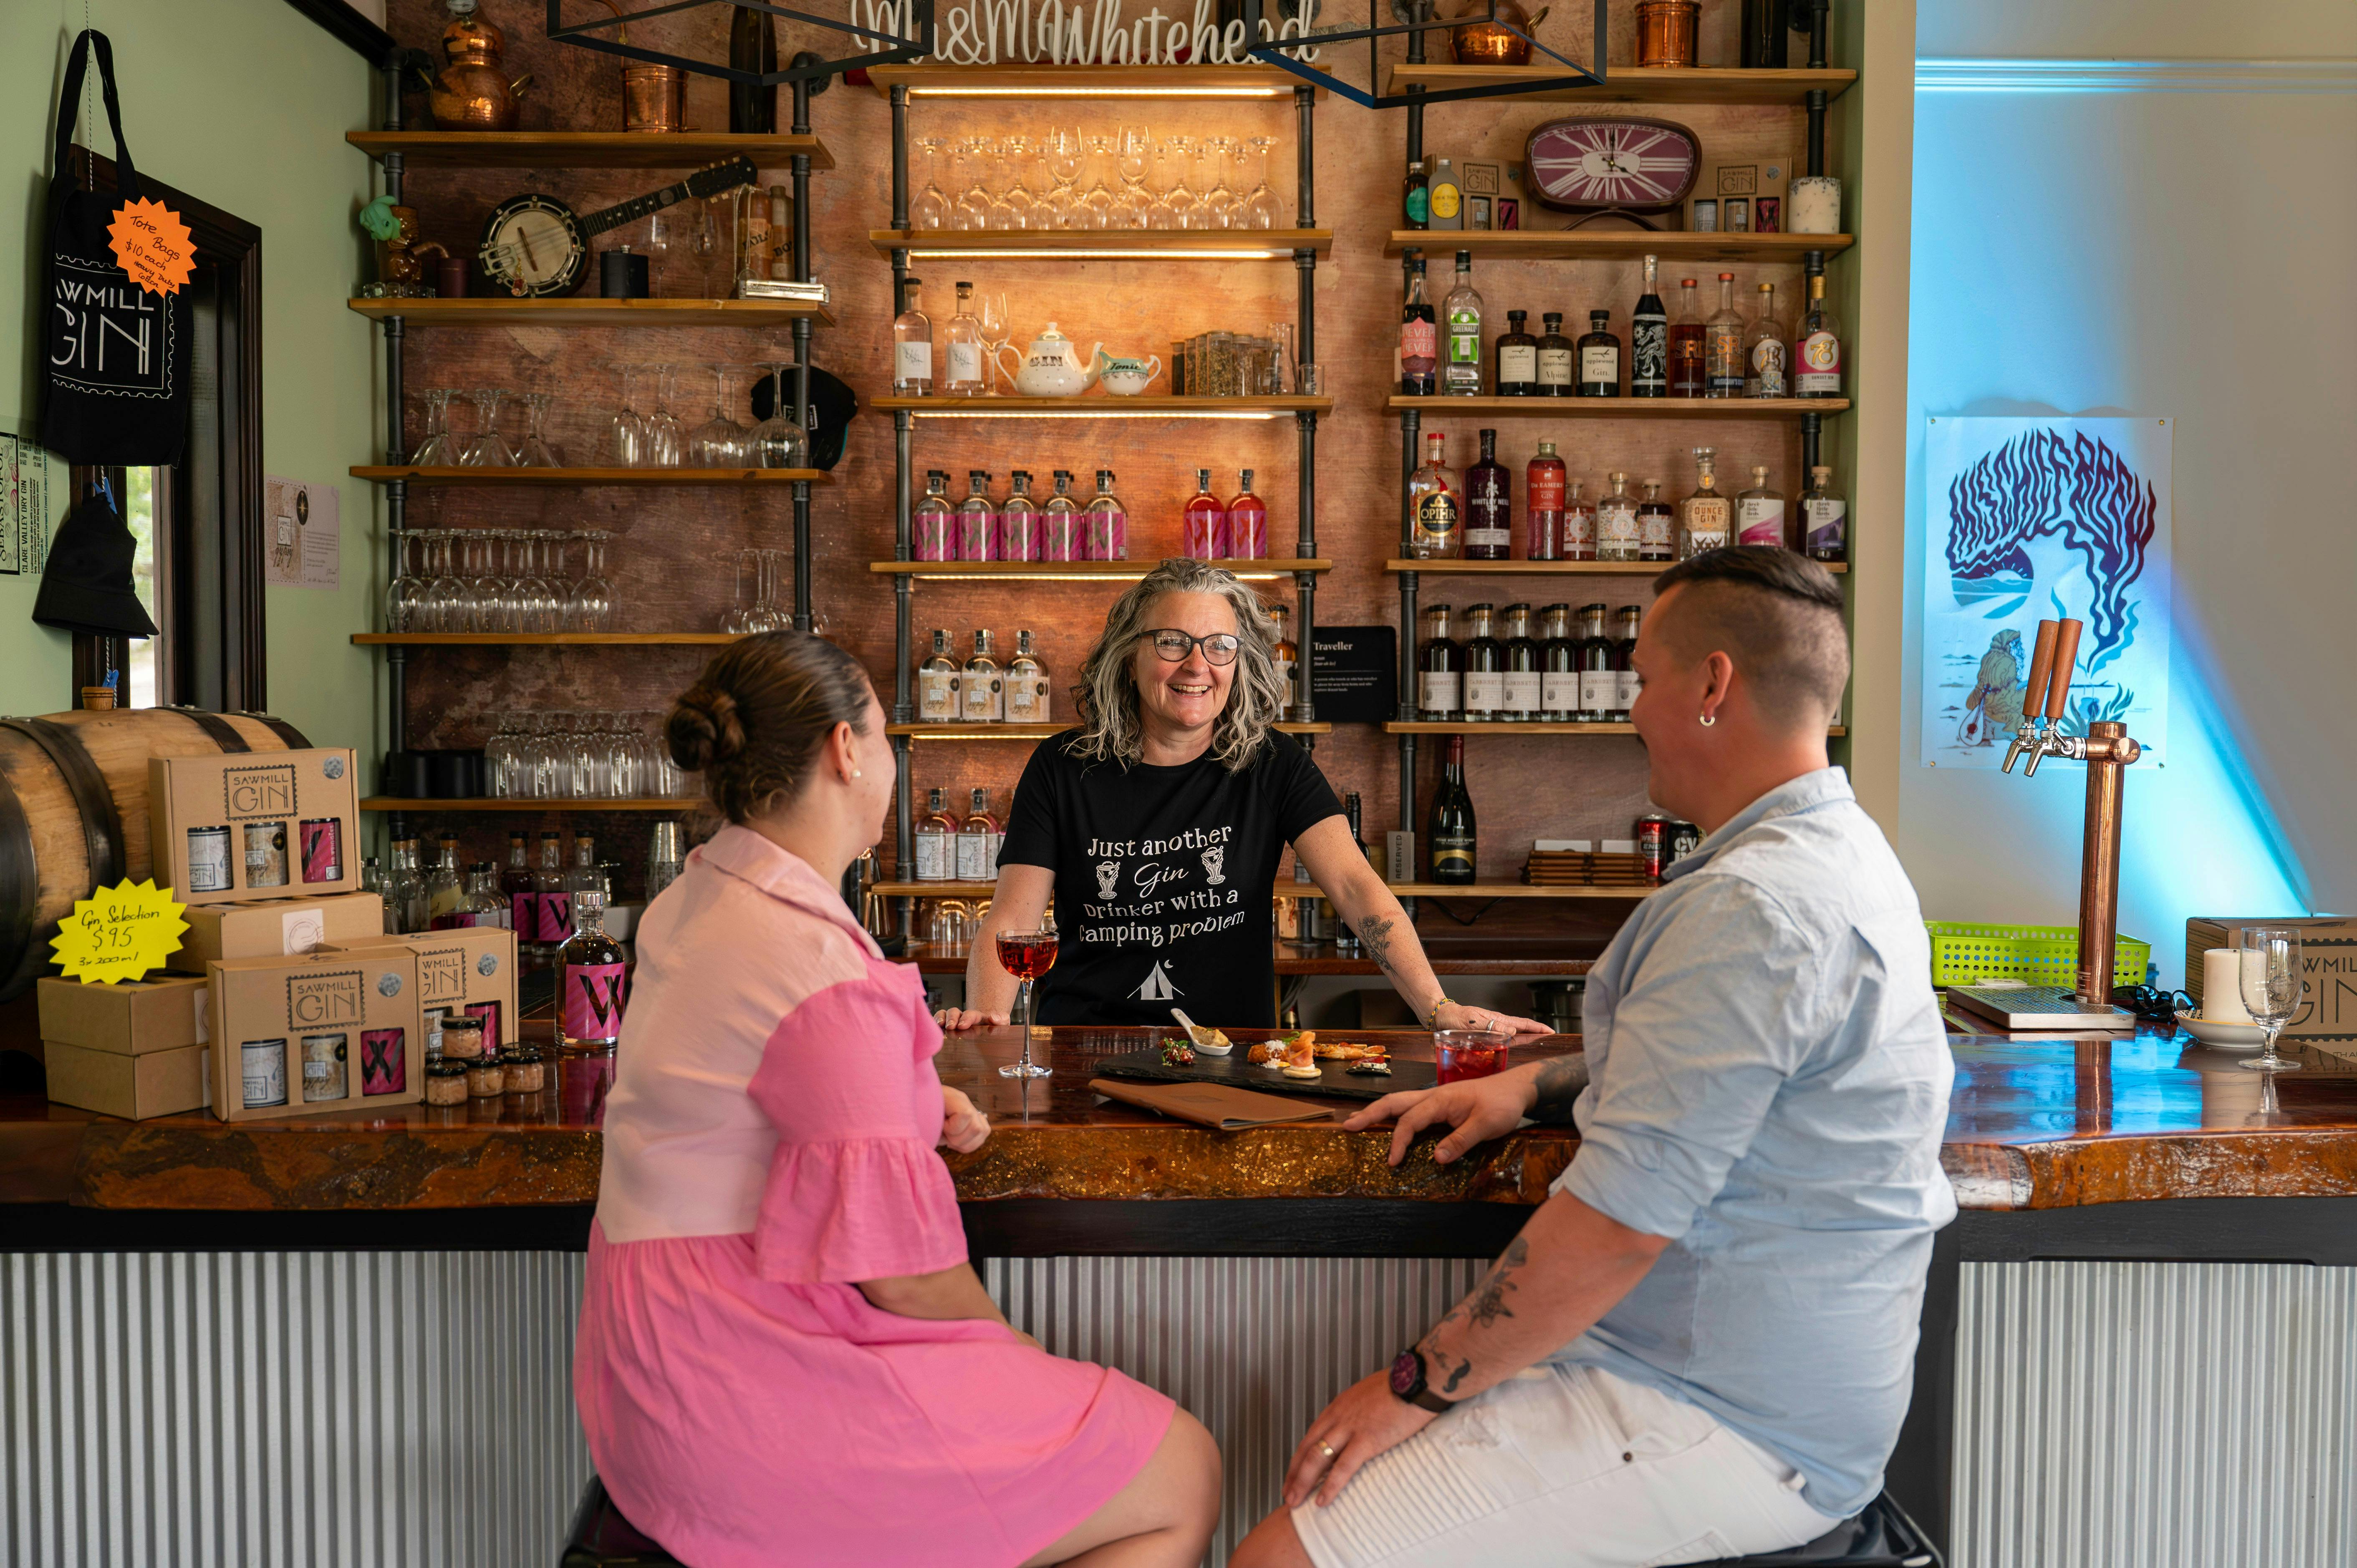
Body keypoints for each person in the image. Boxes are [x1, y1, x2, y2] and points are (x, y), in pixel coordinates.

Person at [1231, 548, 1957, 1568]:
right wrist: (1532, 1083)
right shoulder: (1839, 852)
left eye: (1642, 679)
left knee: (1277, 1559)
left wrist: (1414, 1385)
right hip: (1778, 1393)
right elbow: (1733, 1083)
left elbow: (1618, 1227)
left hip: (1727, 1414)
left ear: (1712, 686)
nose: (1631, 709)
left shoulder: (1750, 906)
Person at [576, 632, 1220, 1568]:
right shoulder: (818, 964)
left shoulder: (694, 896)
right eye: (881, 734)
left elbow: (744, 1097)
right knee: (1182, 1469)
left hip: (645, 1367)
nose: (885, 755)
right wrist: (1019, 1354)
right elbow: (906, 1275)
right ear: (845, 750)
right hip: (748, 1379)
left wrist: (908, 1106)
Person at [937, 557, 1545, 1035]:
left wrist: (1437, 1008)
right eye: (1172, 641)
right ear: (1130, 657)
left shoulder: (1273, 762)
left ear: (1241, 662)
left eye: (1219, 646)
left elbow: (1359, 890)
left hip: (1233, 1054)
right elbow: (1014, 919)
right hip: (1086, 1049)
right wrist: (990, 1023)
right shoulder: (1062, 767)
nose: (1197, 665)